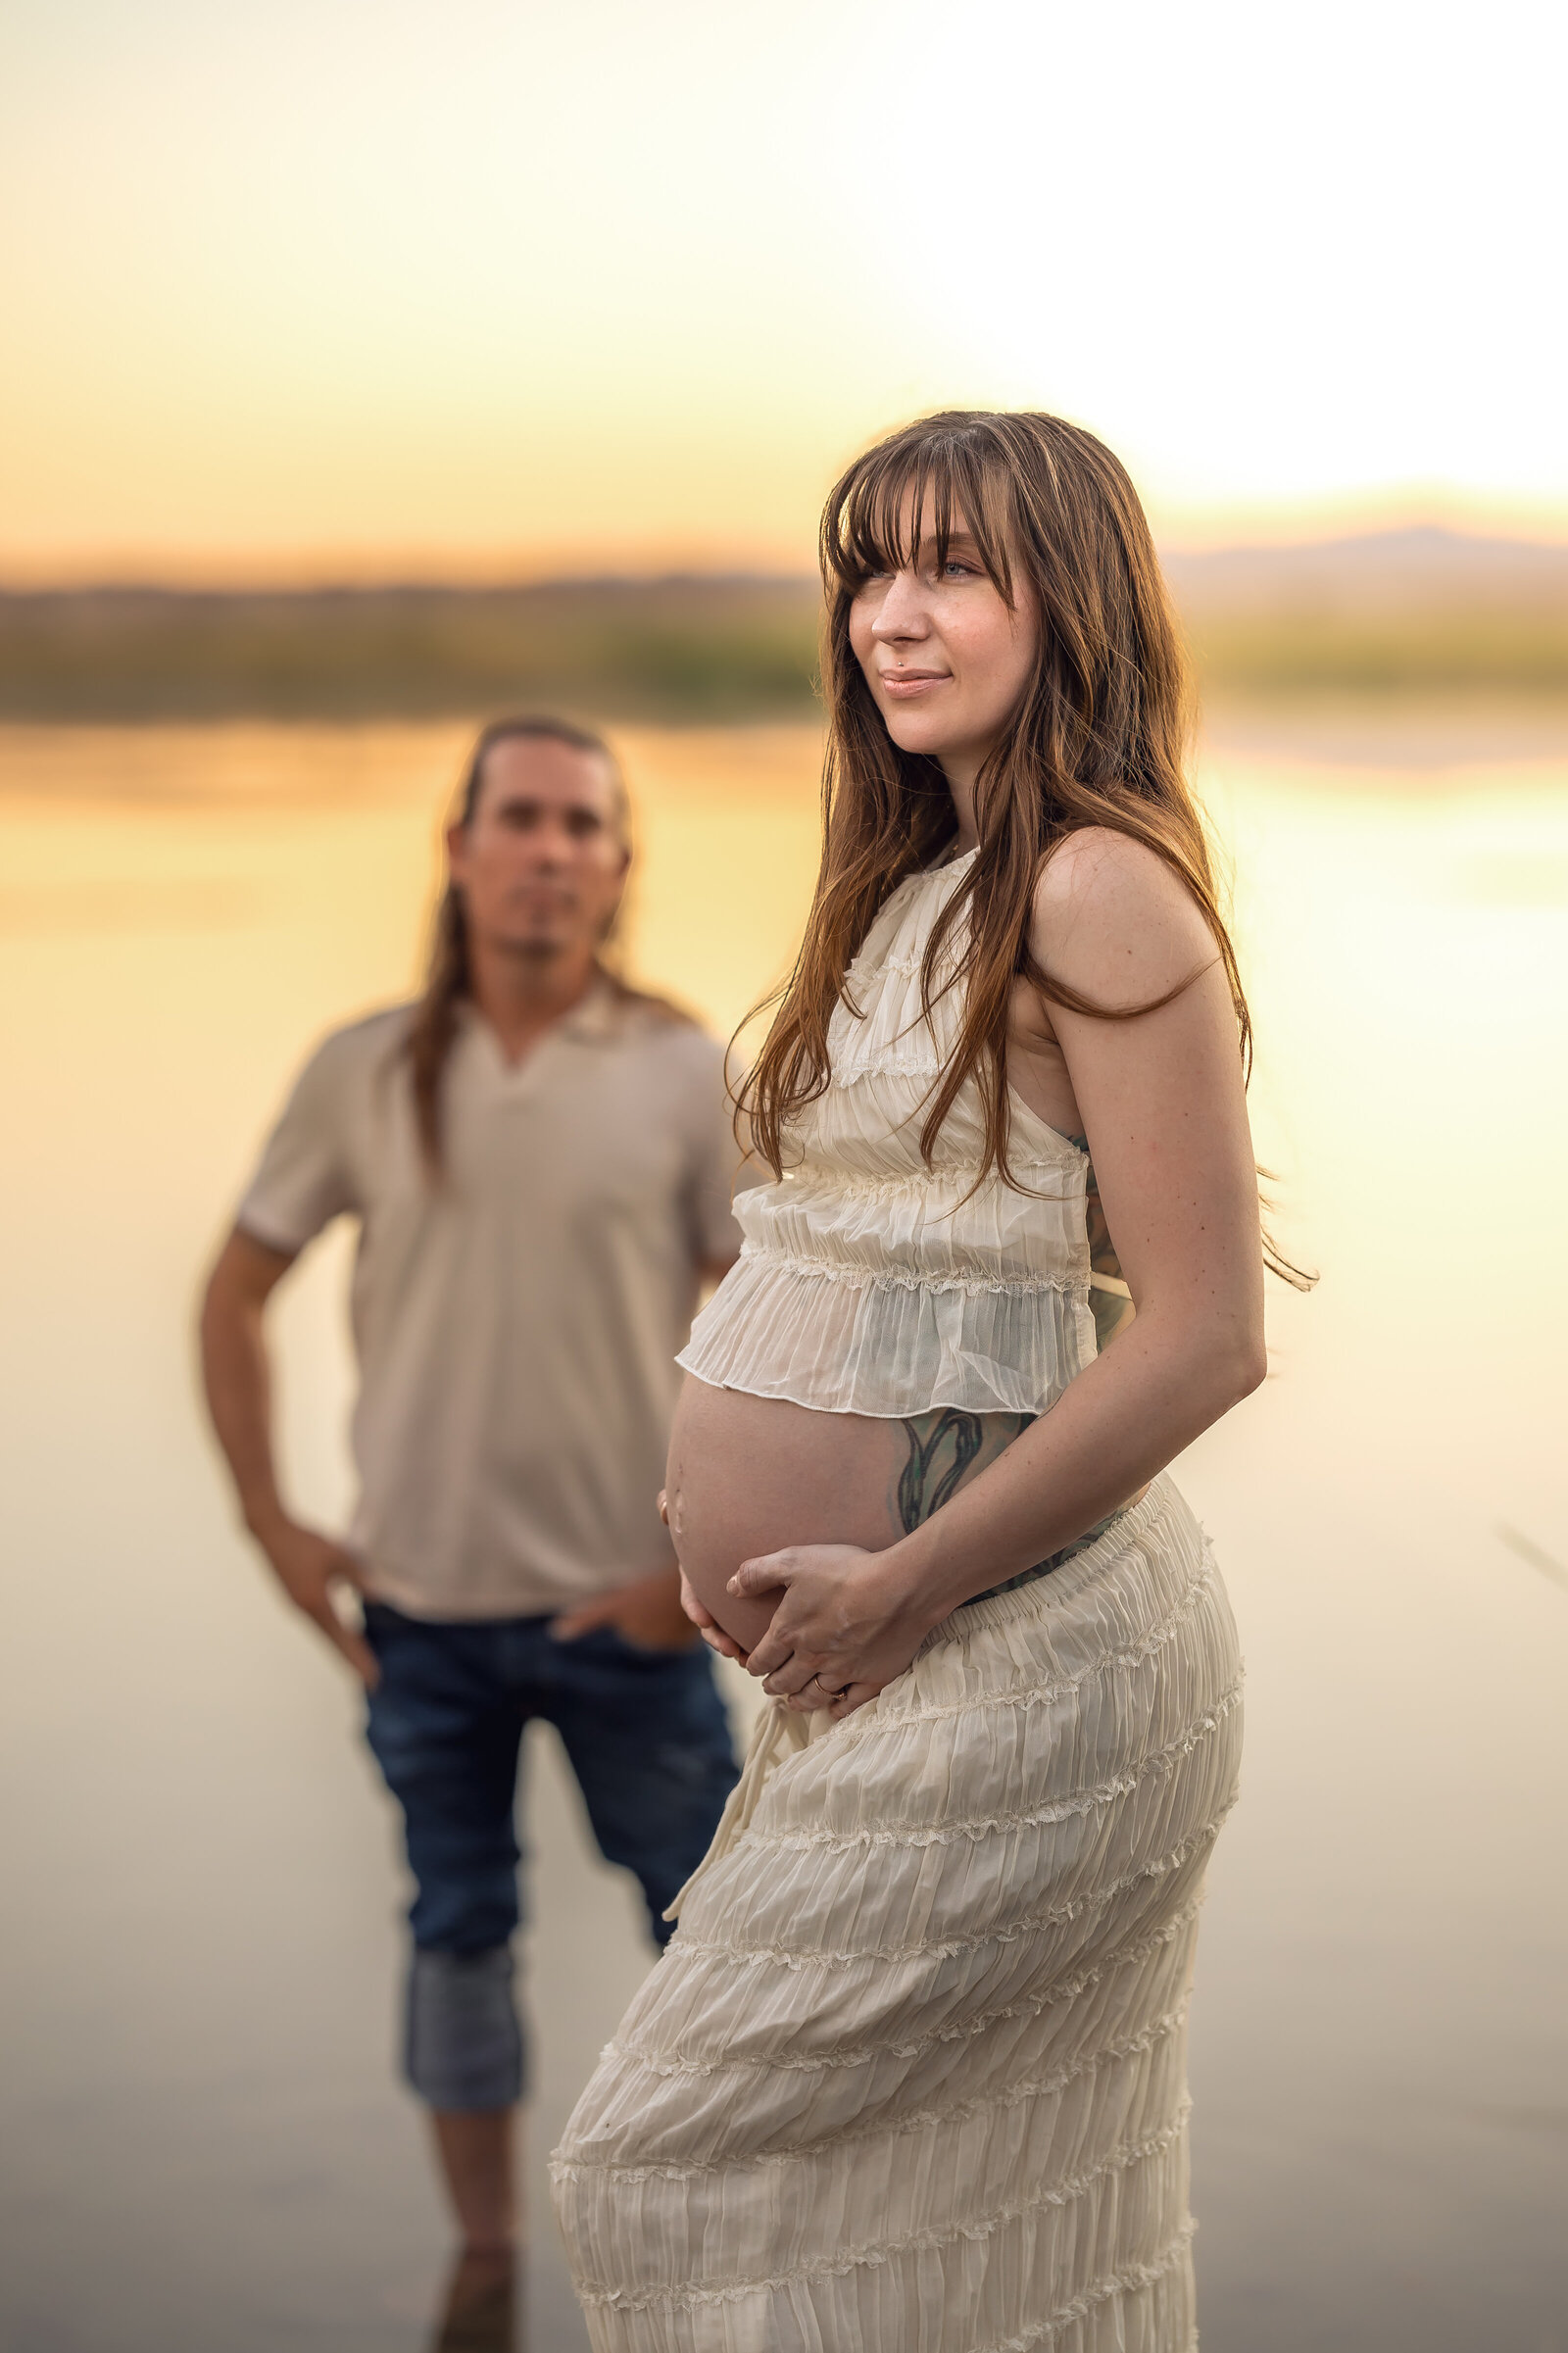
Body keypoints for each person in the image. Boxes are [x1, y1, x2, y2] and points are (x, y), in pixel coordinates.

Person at [553, 413, 1296, 2350]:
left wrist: (898, 1574)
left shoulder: (1094, 893)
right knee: (900, 2243)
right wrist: (727, 1450)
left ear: (1074, 602)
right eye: (868, 569)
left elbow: (1205, 1330)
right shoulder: (911, 887)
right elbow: (866, 1263)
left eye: (953, 567)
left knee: (663, 2161)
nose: (893, 614)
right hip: (896, 1652)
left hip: (1016, 1647)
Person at [199, 715, 744, 2277]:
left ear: (619, 866)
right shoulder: (365, 1068)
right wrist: (272, 1524)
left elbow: (774, 1331)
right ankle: (487, 2266)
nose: (550, 851)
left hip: (627, 1610)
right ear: (458, 847)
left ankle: (726, 2250)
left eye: (584, 825)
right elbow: (233, 1290)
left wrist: (697, 1568)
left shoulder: (675, 1067)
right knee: (454, 1936)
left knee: (719, 1939)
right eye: (520, 817)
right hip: (420, 1616)